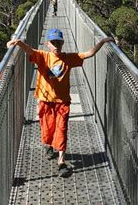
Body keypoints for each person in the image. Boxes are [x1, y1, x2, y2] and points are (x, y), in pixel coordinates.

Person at [7, 29, 114, 177]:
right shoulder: (43, 56)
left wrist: (102, 41)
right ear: (48, 44)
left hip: (62, 101)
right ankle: (49, 145)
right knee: (48, 129)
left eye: (58, 42)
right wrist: (18, 42)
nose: (56, 45)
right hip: (45, 100)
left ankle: (61, 161)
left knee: (61, 129)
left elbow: (88, 54)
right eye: (53, 42)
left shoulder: (68, 58)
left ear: (63, 43)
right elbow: (30, 51)